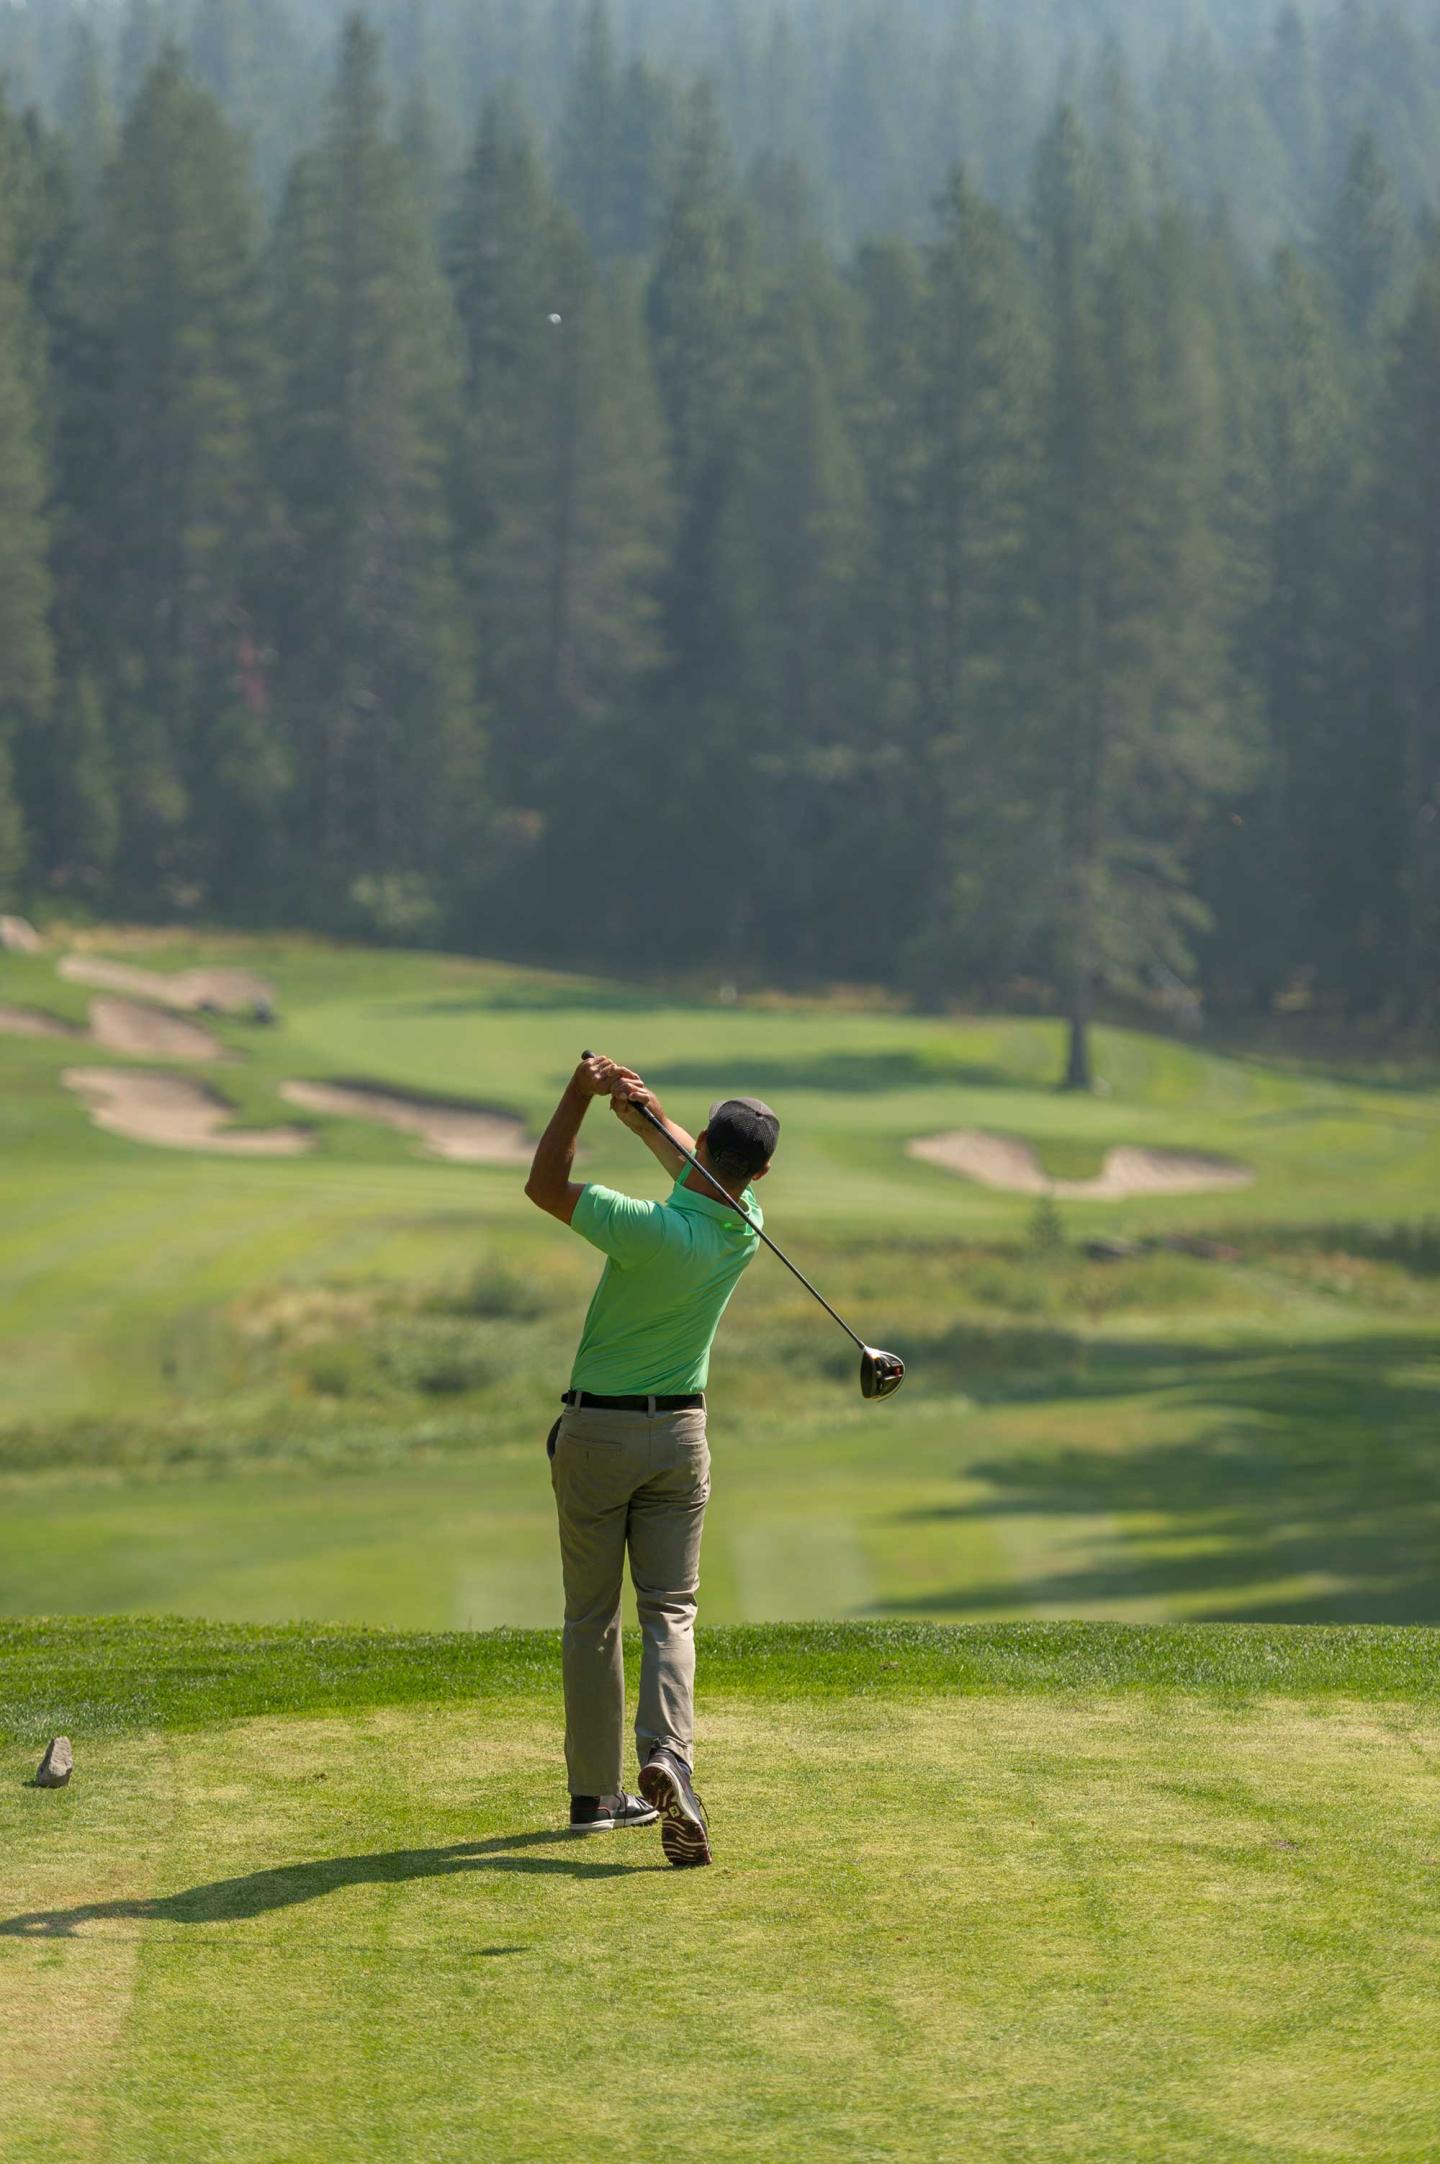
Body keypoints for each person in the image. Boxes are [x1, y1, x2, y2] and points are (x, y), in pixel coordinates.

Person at [523, 1053, 779, 1867]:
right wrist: (645, 1117)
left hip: (596, 1435)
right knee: (669, 1609)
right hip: (680, 1440)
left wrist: (578, 1095)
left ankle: (596, 1796)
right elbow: (701, 1171)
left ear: (704, 1139)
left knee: (589, 1617)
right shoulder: (748, 1227)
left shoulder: (646, 1226)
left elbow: (545, 1185)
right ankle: (668, 1755)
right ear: (762, 1170)